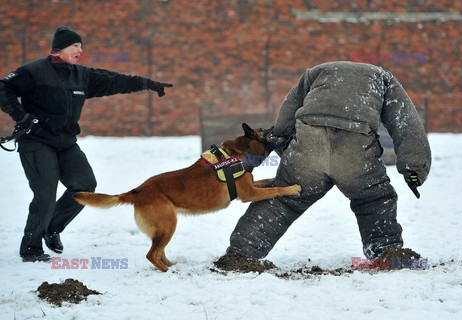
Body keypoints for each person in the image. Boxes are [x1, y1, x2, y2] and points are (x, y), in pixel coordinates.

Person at [222, 61, 431, 263]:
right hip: (354, 153)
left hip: (308, 146)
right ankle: (386, 254)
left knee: (283, 199)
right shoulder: (384, 79)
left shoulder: (316, 72)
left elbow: (290, 107)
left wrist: (278, 139)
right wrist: (414, 168)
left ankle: (241, 253)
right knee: (374, 200)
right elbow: (406, 123)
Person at [0, 26, 173, 262]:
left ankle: (52, 227)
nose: (80, 50)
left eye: (81, 46)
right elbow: (3, 87)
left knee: (84, 185)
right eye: (75, 46)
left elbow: (114, 81)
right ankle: (30, 247)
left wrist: (148, 83)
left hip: (65, 141)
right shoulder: (34, 72)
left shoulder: (81, 75)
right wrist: (20, 115)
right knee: (45, 192)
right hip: (36, 140)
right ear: (59, 49)